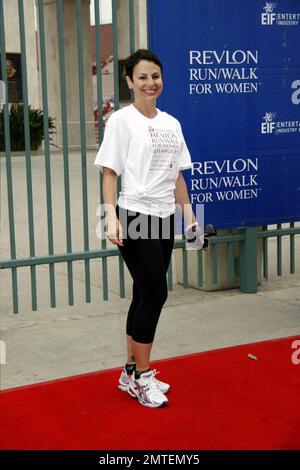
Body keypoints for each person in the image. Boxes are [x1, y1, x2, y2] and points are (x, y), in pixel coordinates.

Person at [94, 49, 201, 408]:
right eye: (142, 77)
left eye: (155, 76)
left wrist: (190, 218)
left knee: (144, 292)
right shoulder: (121, 122)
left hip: (163, 216)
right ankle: (142, 376)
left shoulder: (171, 123)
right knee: (155, 294)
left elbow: (178, 176)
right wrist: (110, 216)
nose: (150, 83)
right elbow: (110, 172)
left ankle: (128, 372)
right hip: (134, 214)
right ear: (129, 81)